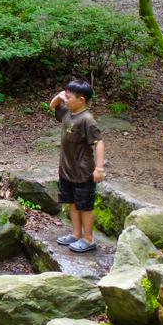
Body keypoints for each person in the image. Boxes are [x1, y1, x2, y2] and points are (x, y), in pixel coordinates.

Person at [49, 82, 105, 253]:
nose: (65, 99)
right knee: (72, 203)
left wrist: (99, 169)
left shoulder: (87, 119)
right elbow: (52, 107)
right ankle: (75, 233)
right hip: (67, 170)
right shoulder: (68, 113)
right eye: (65, 95)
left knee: (85, 206)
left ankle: (88, 239)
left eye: (69, 97)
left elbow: (99, 142)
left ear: (81, 100)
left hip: (83, 172)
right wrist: (59, 97)